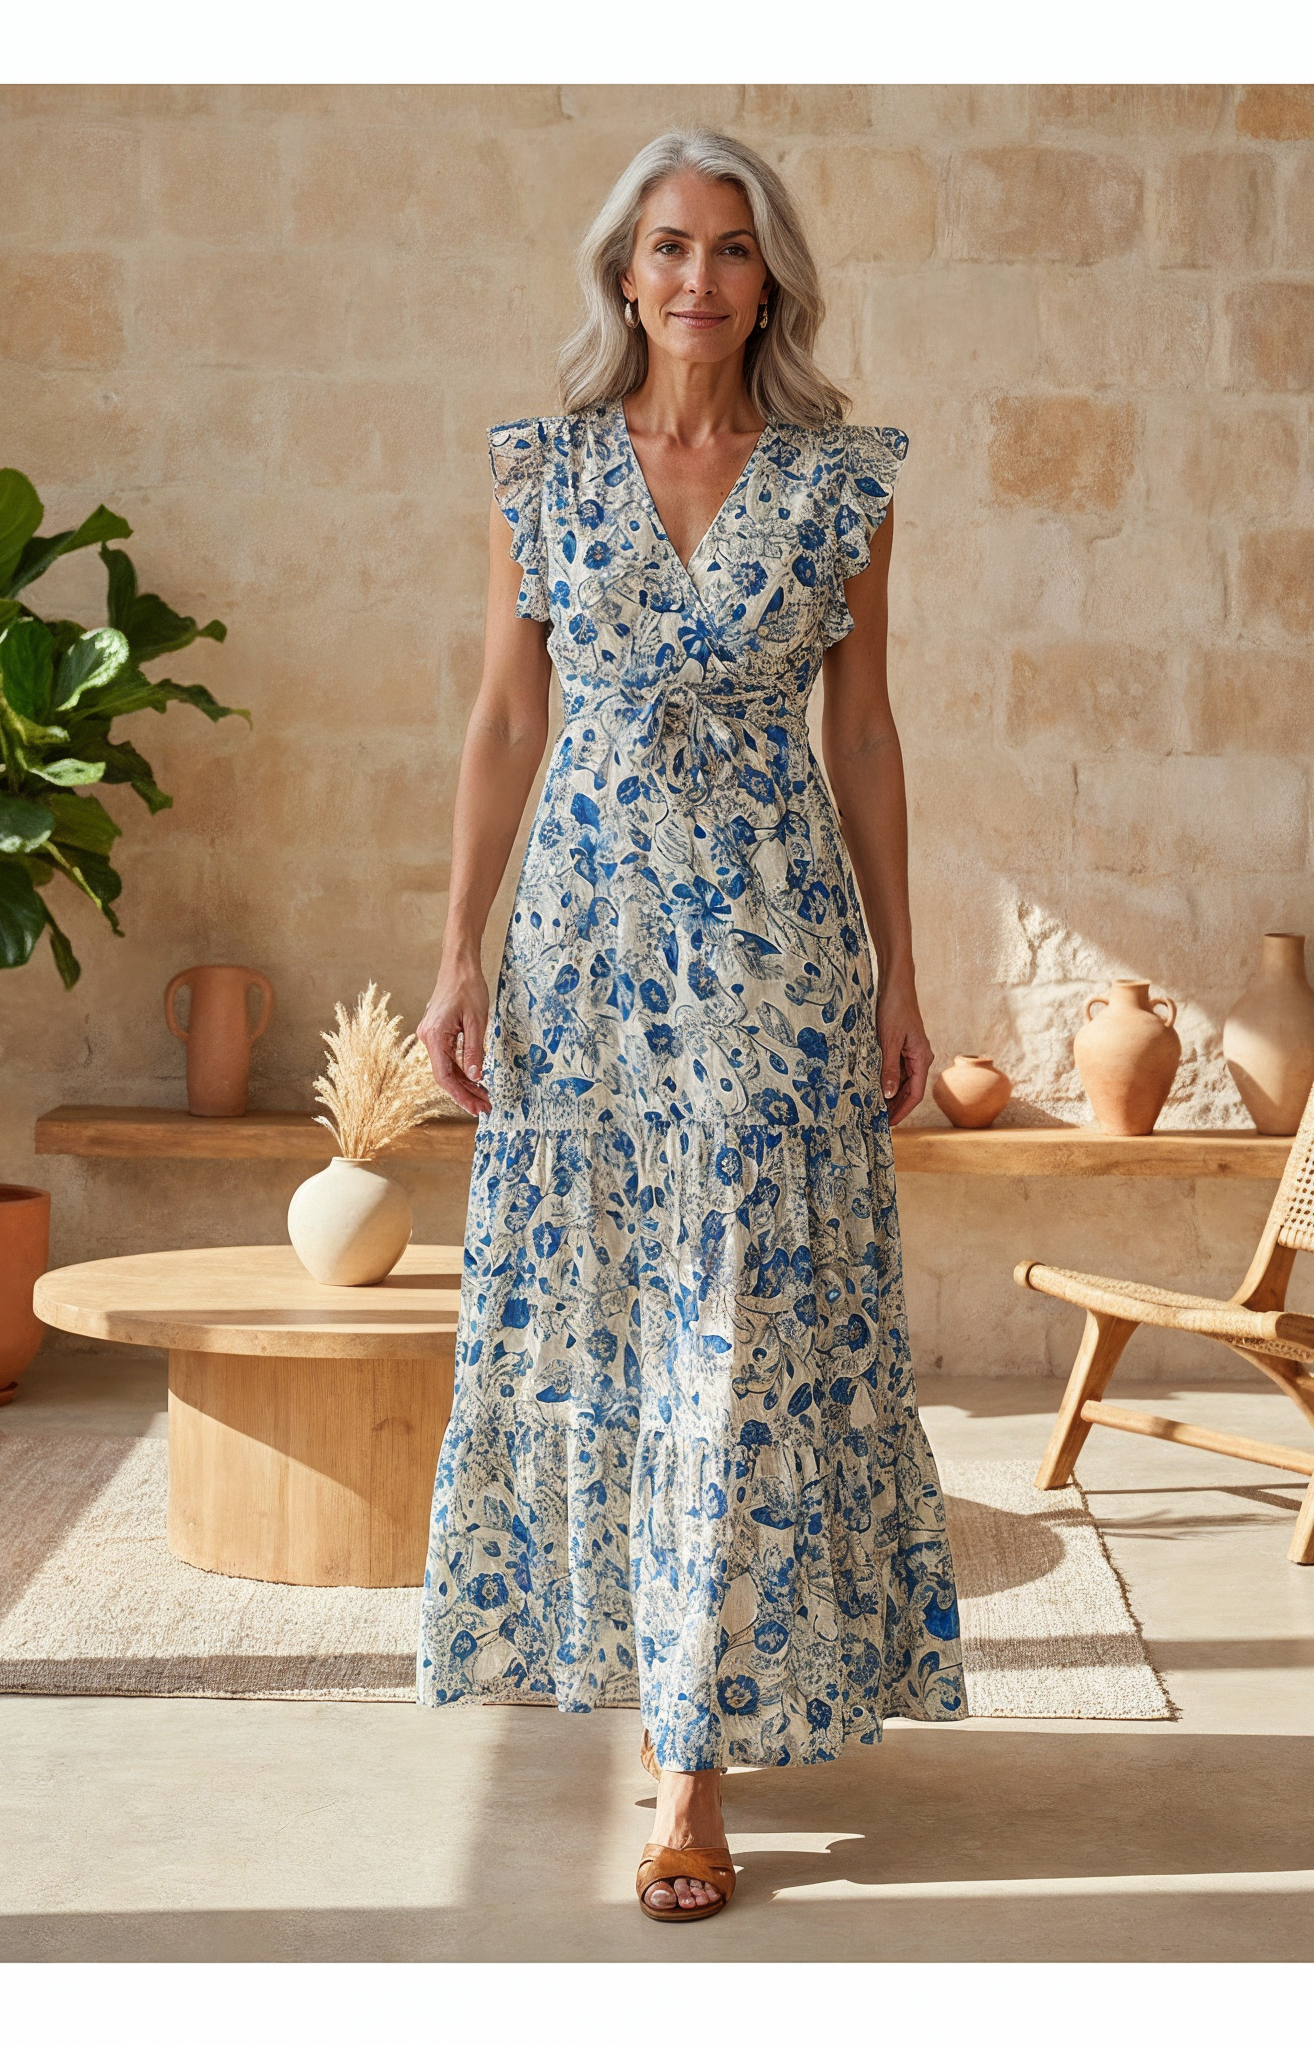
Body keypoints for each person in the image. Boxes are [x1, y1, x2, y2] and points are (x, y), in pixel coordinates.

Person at [414, 128, 965, 1925]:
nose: (700, 278)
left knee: (737, 1338)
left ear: (770, 276)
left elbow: (862, 733)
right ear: (624, 272)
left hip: (771, 959)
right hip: (581, 956)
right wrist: (459, 952)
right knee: (609, 1324)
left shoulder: (841, 483)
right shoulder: (543, 471)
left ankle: (690, 1775)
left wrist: (901, 970)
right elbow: (507, 721)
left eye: (732, 247)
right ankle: (642, 1679)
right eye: (669, 245)